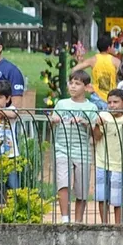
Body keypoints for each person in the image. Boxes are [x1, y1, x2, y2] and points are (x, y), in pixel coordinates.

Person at [51, 70, 96, 223]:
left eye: (78, 84)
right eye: (71, 83)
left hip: (82, 151)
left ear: (86, 87)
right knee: (63, 181)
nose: (73, 87)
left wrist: (85, 122)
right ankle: (64, 218)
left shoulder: (91, 107)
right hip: (62, 148)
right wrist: (54, 120)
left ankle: (78, 221)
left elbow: (96, 132)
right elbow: (52, 122)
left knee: (82, 189)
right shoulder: (61, 103)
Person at [91, 88, 123, 224]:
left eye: (116, 102)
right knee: (102, 196)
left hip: (119, 164)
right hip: (101, 161)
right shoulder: (103, 116)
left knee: (117, 198)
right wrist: (97, 125)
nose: (112, 105)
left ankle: (117, 224)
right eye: (109, 102)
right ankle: (104, 224)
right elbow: (96, 137)